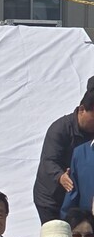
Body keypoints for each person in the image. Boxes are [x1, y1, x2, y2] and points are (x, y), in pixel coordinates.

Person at [33, 81, 94, 222]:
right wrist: (60, 176)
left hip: (76, 197)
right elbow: (49, 160)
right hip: (51, 197)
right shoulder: (60, 129)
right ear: (82, 110)